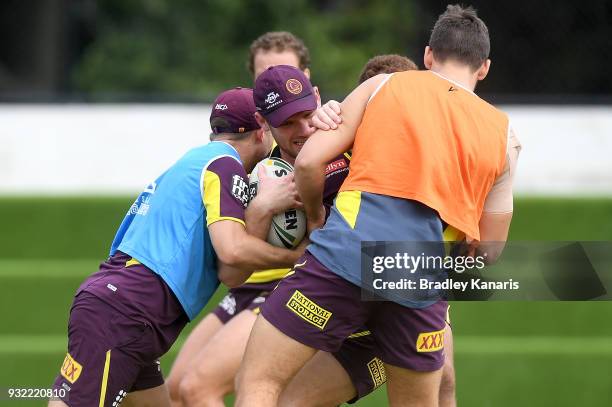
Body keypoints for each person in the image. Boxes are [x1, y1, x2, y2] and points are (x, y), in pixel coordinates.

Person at [236, 5, 521, 406]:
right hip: (419, 279)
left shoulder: (385, 86)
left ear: (427, 56)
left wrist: (317, 217)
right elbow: (490, 250)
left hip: (345, 256)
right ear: (484, 67)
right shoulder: (505, 135)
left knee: (261, 384)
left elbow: (310, 161)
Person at [48, 87, 305, 407]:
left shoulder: (195, 159)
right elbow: (233, 251)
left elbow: (232, 275)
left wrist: (262, 209)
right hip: (128, 311)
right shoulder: (225, 165)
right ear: (259, 125)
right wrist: (298, 257)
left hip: (129, 312)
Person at [167, 31, 321, 407]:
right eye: (263, 75)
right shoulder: (250, 149)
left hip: (287, 287)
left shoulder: (319, 142)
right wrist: (261, 207)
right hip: (246, 284)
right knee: (176, 387)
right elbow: (231, 266)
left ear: (309, 84)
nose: (274, 83)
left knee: (200, 388)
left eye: (285, 71)